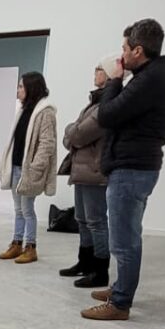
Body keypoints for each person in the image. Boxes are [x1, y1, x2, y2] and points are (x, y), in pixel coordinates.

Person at [82, 19, 165, 321]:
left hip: (132, 169)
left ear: (138, 50)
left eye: (125, 48)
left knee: (124, 240)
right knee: (126, 235)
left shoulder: (150, 80)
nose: (121, 55)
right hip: (134, 167)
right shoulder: (152, 77)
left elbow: (107, 115)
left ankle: (120, 303)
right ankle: (119, 289)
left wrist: (114, 80)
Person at [59, 56, 115, 287]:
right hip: (82, 171)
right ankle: (85, 262)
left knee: (96, 222)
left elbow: (78, 134)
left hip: (95, 172)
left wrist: (72, 131)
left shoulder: (106, 105)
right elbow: (70, 137)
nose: (95, 72)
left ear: (109, 73)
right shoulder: (94, 102)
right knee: (82, 219)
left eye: (99, 69)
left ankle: (100, 271)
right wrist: (73, 132)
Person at [0, 72, 57, 264]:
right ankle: (17, 243)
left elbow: (47, 143)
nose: (18, 90)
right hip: (16, 166)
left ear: (31, 88)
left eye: (21, 86)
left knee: (27, 209)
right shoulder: (23, 110)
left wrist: (35, 167)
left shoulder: (45, 112)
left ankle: (31, 247)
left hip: (29, 170)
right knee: (18, 209)